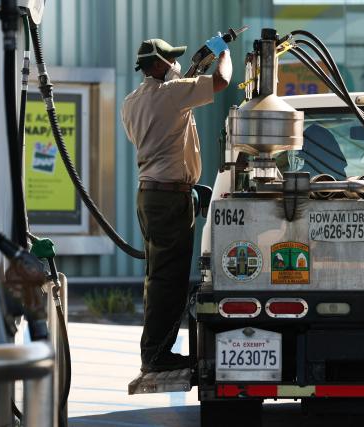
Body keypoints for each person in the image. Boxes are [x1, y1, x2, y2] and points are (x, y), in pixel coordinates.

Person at [121, 35, 232, 373]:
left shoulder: (132, 101)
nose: (175, 65)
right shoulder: (171, 94)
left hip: (151, 194)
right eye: (170, 60)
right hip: (169, 198)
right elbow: (222, 80)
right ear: (156, 65)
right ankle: (156, 356)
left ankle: (154, 351)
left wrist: (184, 78)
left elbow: (165, 135)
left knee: (158, 278)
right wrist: (224, 53)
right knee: (169, 281)